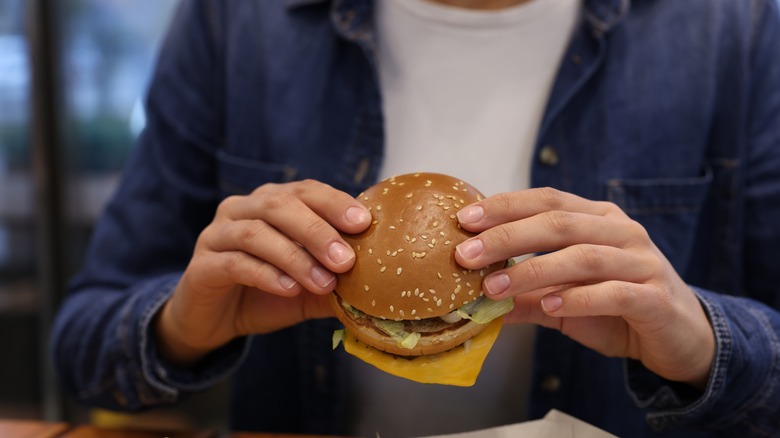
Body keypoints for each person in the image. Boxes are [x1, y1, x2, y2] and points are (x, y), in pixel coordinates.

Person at [50, 0, 780, 436]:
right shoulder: (238, 20)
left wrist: (706, 348)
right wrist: (181, 330)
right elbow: (80, 345)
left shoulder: (738, 30)